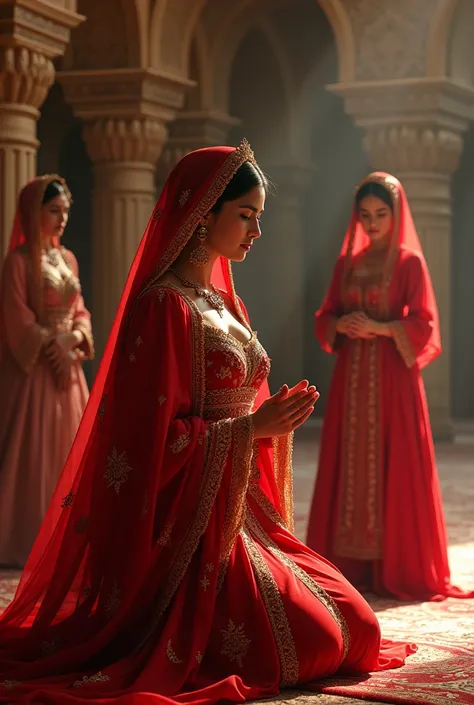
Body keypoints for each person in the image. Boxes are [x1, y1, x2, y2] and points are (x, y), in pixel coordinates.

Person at [0, 148, 414, 705]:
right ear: (202, 213)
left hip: (243, 514)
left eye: (259, 217)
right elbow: (145, 446)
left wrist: (271, 422)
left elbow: (235, 403)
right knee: (318, 640)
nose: (256, 231)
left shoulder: (225, 302)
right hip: (192, 541)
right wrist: (250, 430)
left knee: (359, 627)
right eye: (245, 215)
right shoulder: (163, 307)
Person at [306, 171, 474, 601]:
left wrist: (380, 328)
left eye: (381, 214)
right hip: (351, 379)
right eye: (366, 215)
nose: (373, 223)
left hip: (393, 379)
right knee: (350, 461)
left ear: (396, 214)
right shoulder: (347, 263)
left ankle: (397, 566)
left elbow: (424, 322)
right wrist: (341, 323)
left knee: (394, 459)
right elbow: (326, 317)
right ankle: (351, 566)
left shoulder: (408, 262)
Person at [0, 175, 94, 567]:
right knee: (34, 455)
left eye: (66, 211)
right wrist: (49, 343)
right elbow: (15, 317)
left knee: (71, 452)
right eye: (54, 210)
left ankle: (68, 541)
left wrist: (74, 338)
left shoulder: (67, 259)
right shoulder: (18, 263)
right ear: (32, 211)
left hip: (67, 370)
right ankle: (28, 540)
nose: (62, 218)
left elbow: (81, 310)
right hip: (36, 371)